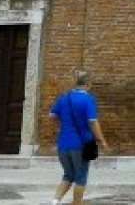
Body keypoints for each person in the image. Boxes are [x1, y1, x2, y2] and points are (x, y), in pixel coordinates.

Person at [48, 69, 109, 205]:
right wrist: (102, 141)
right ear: (88, 84)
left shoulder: (63, 97)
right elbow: (92, 121)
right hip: (81, 144)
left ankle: (54, 201)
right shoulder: (88, 99)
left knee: (68, 175)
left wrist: (63, 125)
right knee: (80, 177)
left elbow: (51, 116)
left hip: (63, 143)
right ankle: (76, 203)